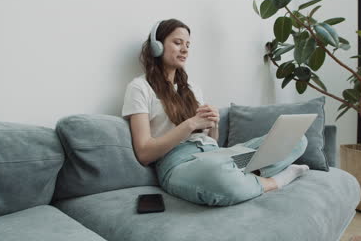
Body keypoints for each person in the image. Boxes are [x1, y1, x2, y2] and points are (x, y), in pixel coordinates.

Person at [122, 18, 310, 206]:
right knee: (219, 172)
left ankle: (241, 174)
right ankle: (272, 181)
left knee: (296, 140)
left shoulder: (192, 88)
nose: (185, 49)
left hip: (215, 155)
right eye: (178, 43)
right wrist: (191, 124)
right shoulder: (139, 87)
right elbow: (144, 153)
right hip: (178, 163)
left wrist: (213, 124)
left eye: (188, 44)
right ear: (157, 46)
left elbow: (213, 142)